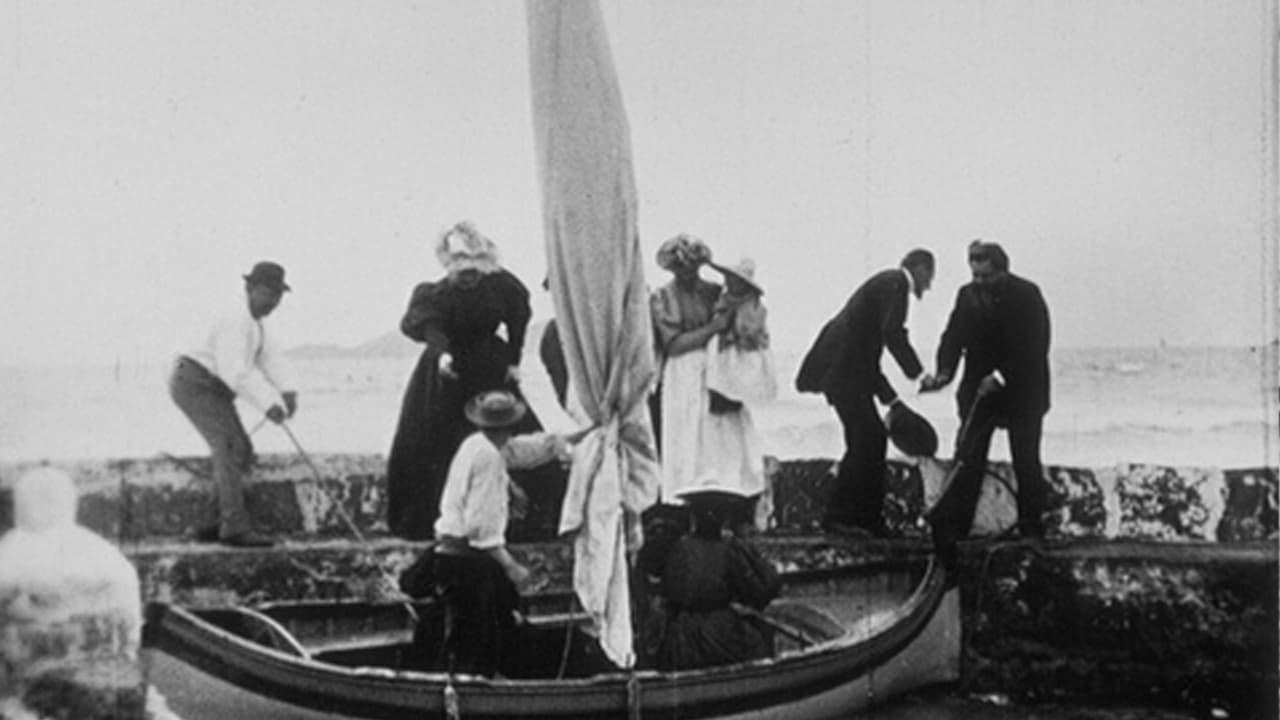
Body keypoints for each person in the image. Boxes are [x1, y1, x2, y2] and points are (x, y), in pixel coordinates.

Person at [401, 390, 590, 676]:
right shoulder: (488, 457)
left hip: (449, 555)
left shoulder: (475, 444)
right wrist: (511, 566)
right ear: (510, 424)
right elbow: (481, 529)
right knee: (475, 641)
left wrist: (570, 438)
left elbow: (524, 450)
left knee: (477, 629)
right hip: (466, 560)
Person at [387, 221, 543, 539]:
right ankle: (439, 519)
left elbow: (518, 320)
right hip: (447, 371)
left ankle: (518, 516)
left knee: (507, 432)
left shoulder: (501, 287)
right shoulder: (434, 294)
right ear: (450, 268)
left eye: (474, 271)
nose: (469, 277)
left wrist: (514, 361)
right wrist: (442, 353)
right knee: (435, 438)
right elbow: (429, 325)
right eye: (462, 272)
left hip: (489, 368)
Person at [920, 241, 1052, 554]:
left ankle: (1032, 529)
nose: (979, 283)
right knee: (967, 457)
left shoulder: (1027, 295)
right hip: (978, 393)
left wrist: (1001, 375)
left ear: (1003, 271)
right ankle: (957, 529)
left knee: (1026, 459)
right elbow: (952, 337)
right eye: (975, 276)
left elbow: (1035, 345)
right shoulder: (966, 296)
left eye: (986, 277)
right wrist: (944, 372)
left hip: (1023, 391)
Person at [795, 249, 936, 538]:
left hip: (843, 373)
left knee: (868, 440)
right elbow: (893, 334)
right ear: (919, 267)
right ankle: (845, 518)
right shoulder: (897, 283)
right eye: (929, 274)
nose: (929, 283)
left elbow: (867, 353)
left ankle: (861, 519)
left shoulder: (884, 285)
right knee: (867, 440)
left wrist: (892, 400)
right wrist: (919, 374)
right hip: (843, 375)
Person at [169, 261, 298, 547]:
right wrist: (268, 404)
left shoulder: (256, 325)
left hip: (213, 388)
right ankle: (235, 528)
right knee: (227, 444)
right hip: (194, 383)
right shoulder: (235, 320)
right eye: (267, 293)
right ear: (249, 288)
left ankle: (220, 522)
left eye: (278, 296)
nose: (273, 302)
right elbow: (235, 372)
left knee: (241, 448)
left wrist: (287, 391)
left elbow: (269, 358)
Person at [638, 481, 782, 672]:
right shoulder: (730, 550)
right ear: (723, 518)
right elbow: (762, 591)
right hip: (719, 633)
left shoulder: (677, 546)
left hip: (679, 636)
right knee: (758, 646)